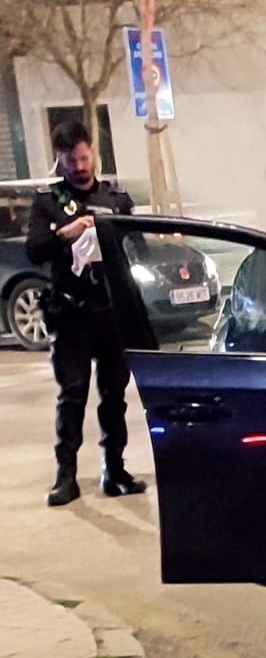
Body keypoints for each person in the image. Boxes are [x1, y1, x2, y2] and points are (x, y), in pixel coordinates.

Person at [26, 121, 145, 507]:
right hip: (71, 314)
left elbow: (138, 249)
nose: (79, 165)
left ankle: (115, 470)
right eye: (70, 160)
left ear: (93, 152)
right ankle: (66, 477)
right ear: (59, 160)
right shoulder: (49, 201)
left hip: (111, 313)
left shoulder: (117, 199)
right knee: (72, 395)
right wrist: (66, 234)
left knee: (114, 398)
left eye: (83, 156)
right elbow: (35, 249)